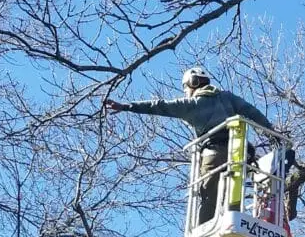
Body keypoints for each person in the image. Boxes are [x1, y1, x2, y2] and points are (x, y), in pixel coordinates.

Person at [103, 67, 273, 225]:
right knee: (233, 192)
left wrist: (127, 106)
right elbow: (252, 112)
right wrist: (271, 132)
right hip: (238, 153)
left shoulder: (192, 104)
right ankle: (234, 223)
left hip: (213, 153)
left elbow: (160, 106)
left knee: (208, 195)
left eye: (186, 88)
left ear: (193, 83)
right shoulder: (227, 97)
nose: (186, 92)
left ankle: (205, 231)